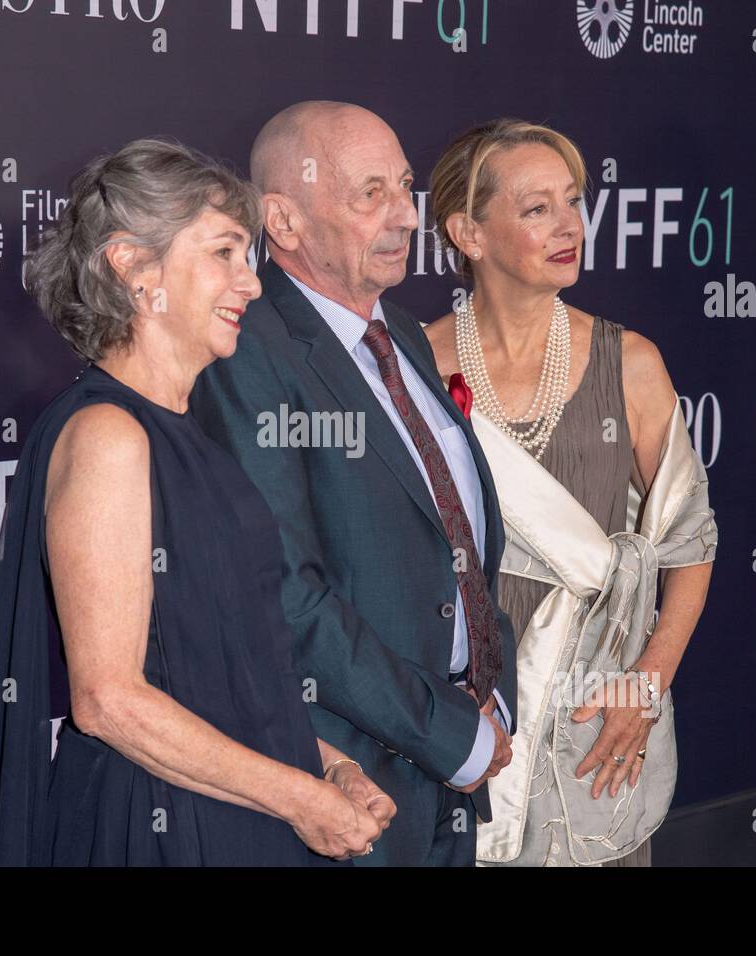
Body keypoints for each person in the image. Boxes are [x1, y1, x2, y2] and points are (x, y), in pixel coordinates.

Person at [0, 137, 396, 867]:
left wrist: (328, 766)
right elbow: (108, 699)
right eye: (224, 252)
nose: (251, 283)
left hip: (225, 815)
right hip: (152, 830)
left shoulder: (182, 432)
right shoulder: (108, 437)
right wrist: (299, 797)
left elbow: (217, 679)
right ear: (133, 268)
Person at [190, 102, 517, 867]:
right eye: (371, 193)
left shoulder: (398, 329)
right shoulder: (248, 352)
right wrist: (450, 733)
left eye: (405, 188)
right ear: (286, 221)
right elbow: (285, 597)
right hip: (342, 789)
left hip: (449, 771)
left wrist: (485, 691)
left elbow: (453, 535)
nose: (406, 214)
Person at [424, 119, 717, 866]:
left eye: (573, 201)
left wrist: (645, 687)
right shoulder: (410, 368)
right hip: (461, 721)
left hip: (599, 719)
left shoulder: (633, 363)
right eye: (536, 209)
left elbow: (691, 544)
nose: (570, 226)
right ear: (468, 232)